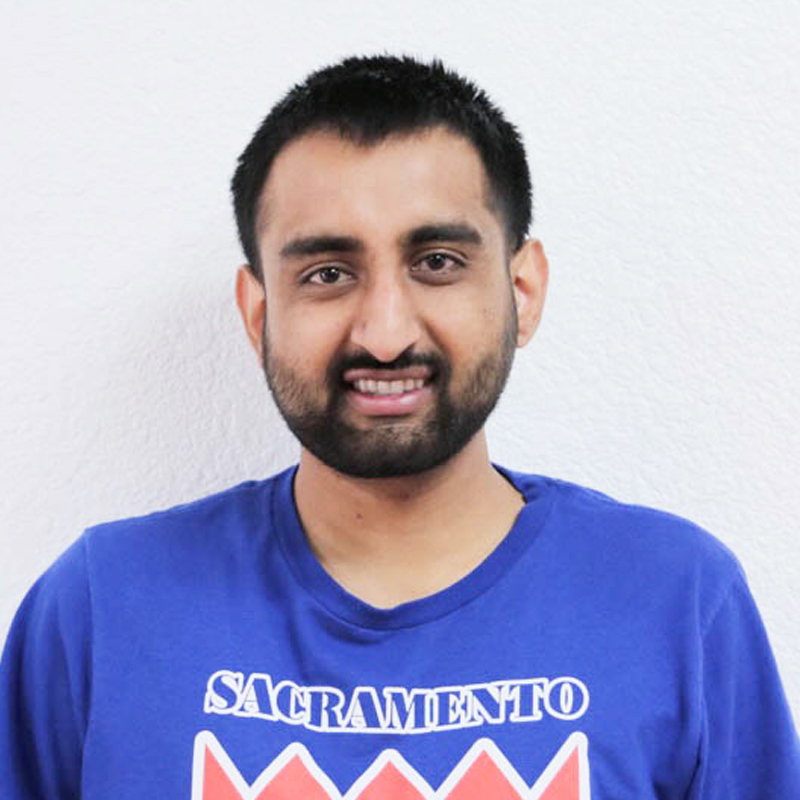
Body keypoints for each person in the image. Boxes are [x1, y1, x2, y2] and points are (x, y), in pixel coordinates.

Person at [1, 54, 798, 800]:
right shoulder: (102, 610)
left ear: (522, 292)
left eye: (437, 262)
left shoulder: (675, 600)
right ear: (257, 313)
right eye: (327, 273)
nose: (385, 333)